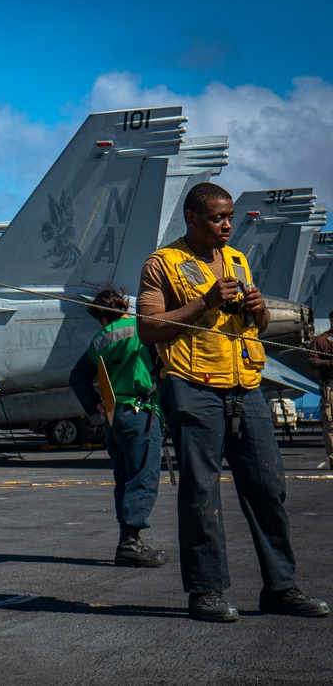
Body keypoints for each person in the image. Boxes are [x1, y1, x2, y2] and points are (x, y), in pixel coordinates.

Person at [136, 182, 328, 622]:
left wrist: (259, 308)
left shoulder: (237, 260)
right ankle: (206, 591)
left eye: (229, 218)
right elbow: (148, 327)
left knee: (268, 489)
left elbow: (256, 325)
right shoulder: (162, 264)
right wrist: (203, 303)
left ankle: (281, 587)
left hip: (246, 384)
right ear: (191, 217)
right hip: (193, 386)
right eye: (217, 218)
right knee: (201, 491)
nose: (226, 226)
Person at [69, 286, 168, 568]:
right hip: (140, 413)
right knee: (143, 476)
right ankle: (130, 543)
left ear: (100, 317)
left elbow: (77, 377)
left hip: (114, 417)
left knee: (124, 478)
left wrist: (95, 405)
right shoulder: (141, 329)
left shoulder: (99, 340)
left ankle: (127, 539)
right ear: (125, 306)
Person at [306, 309, 333, 469]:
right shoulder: (321, 341)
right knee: (330, 422)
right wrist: (329, 363)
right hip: (330, 384)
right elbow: (311, 360)